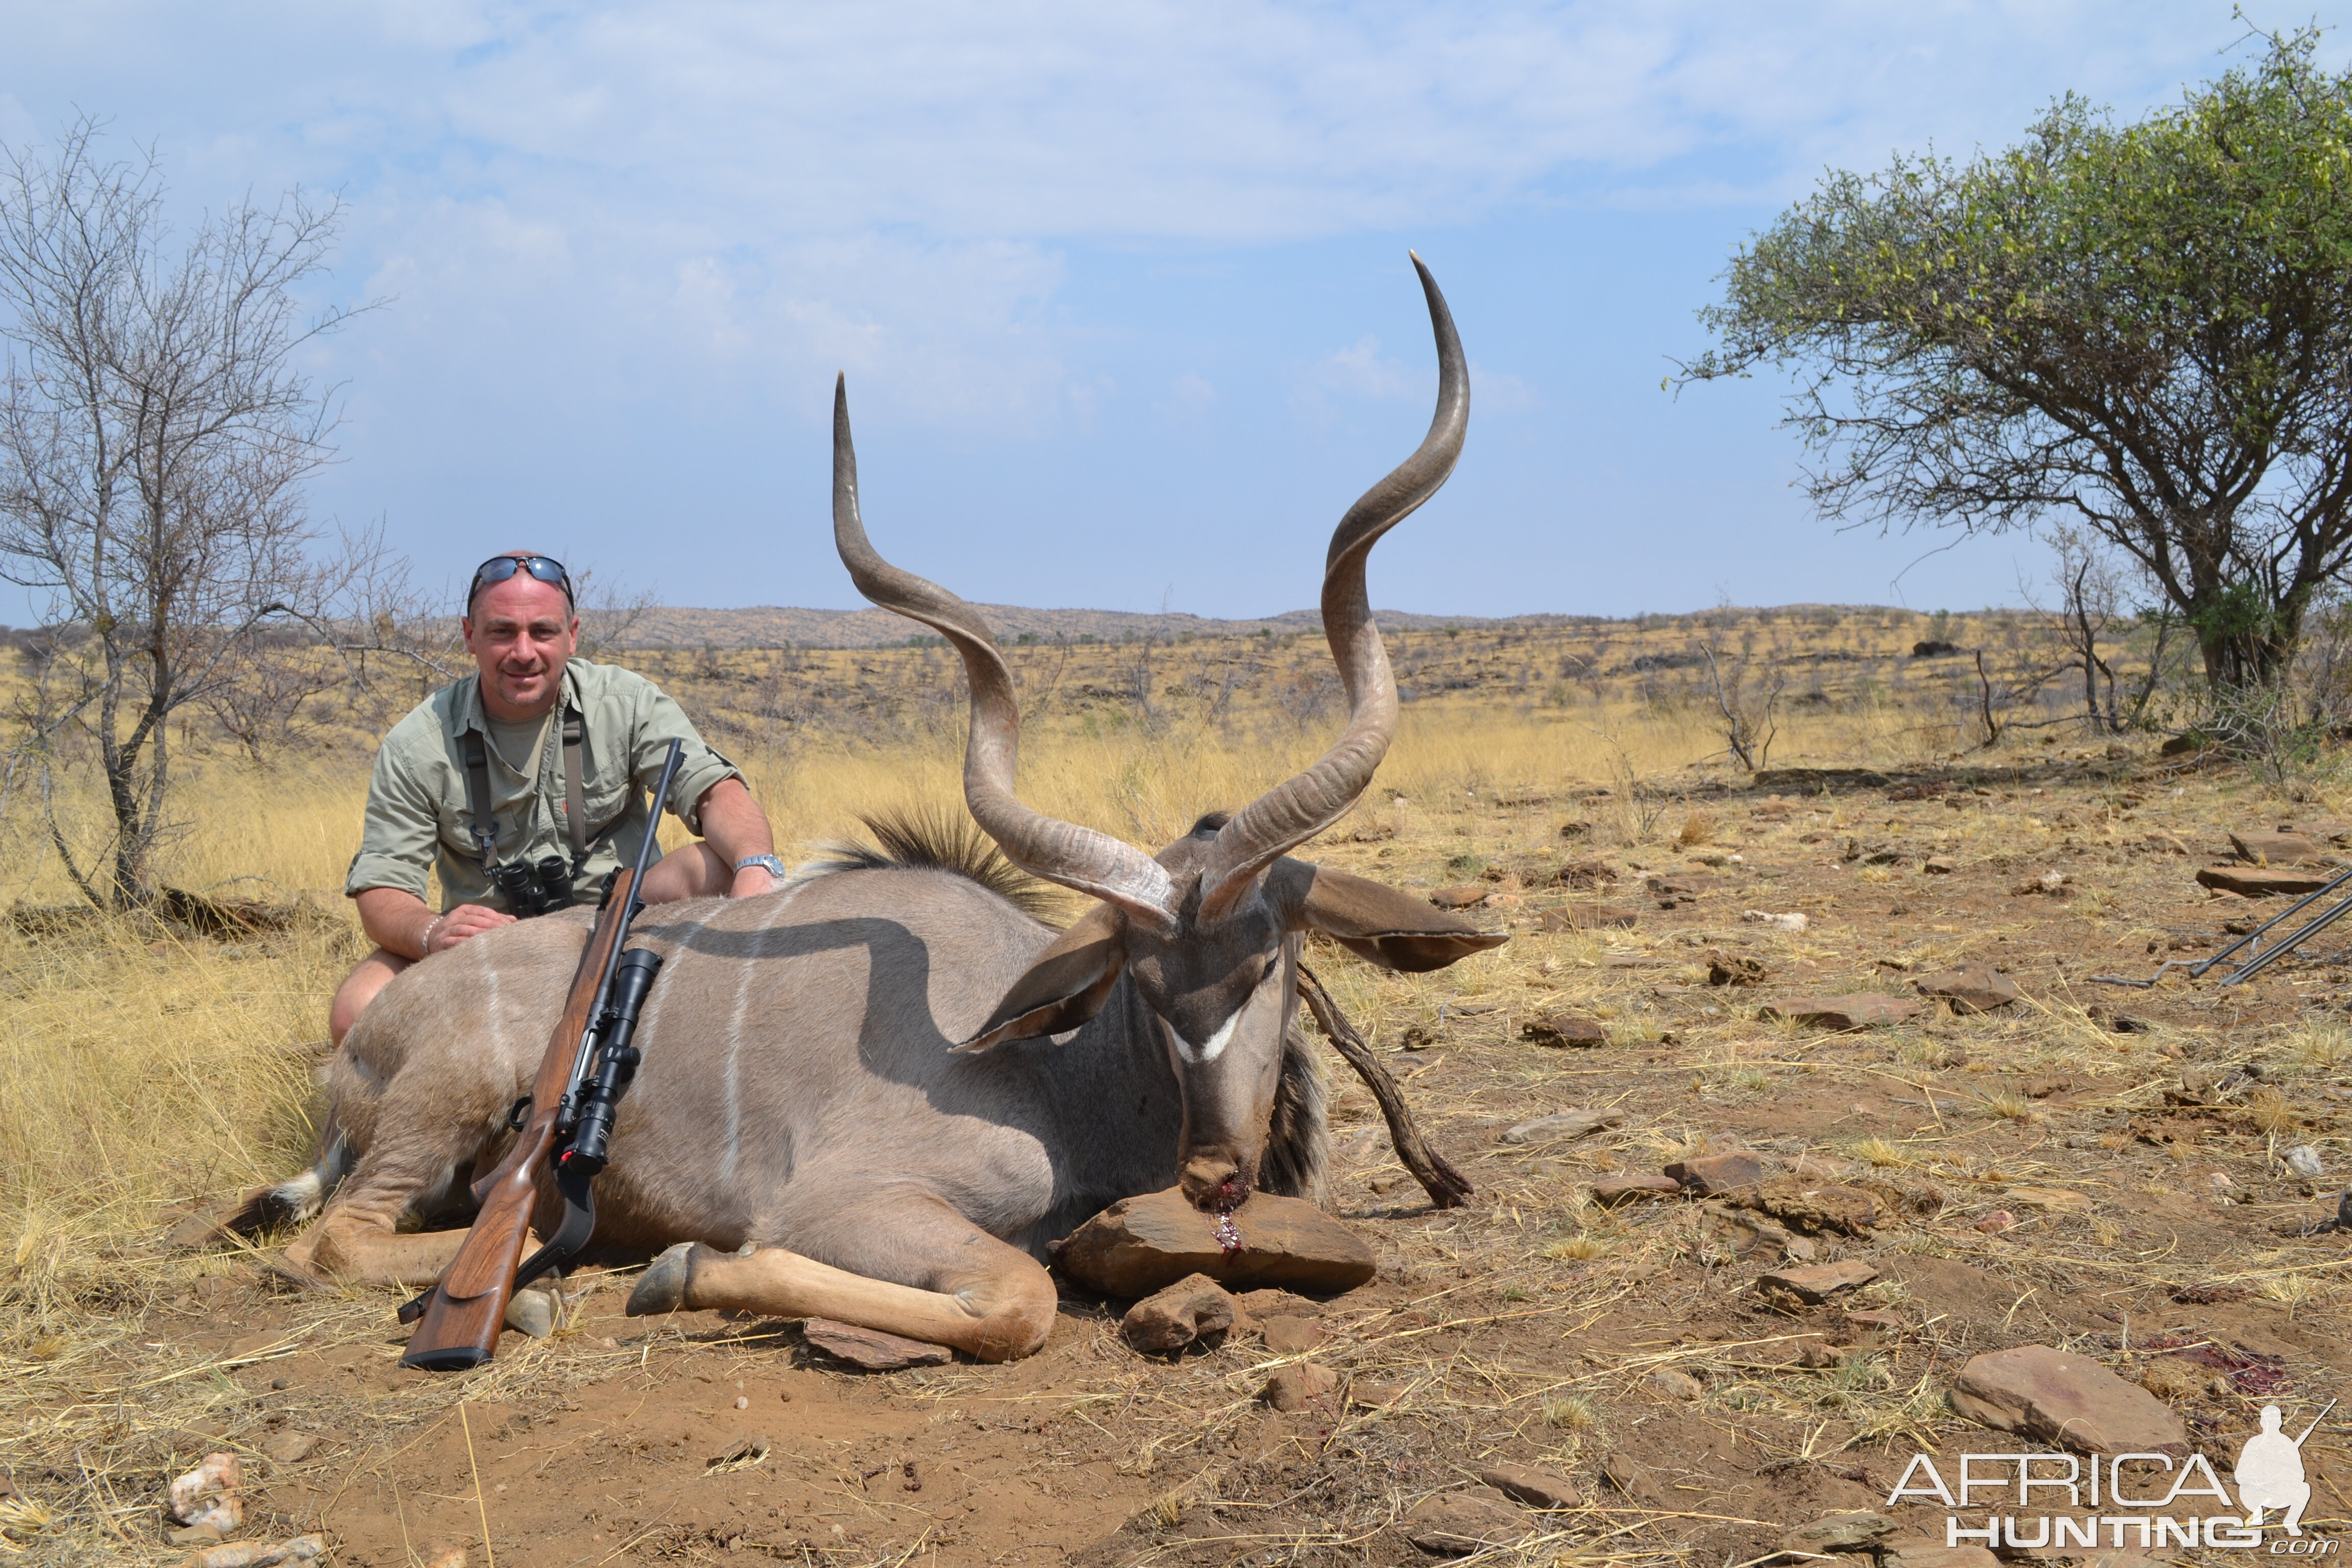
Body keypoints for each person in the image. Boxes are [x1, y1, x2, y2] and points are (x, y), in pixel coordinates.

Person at [330, 552, 786, 1045]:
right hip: (484, 947)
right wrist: (433, 932)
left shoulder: (626, 702)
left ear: (572, 634)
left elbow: (714, 790)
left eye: (542, 632)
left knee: (720, 869)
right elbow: (383, 892)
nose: (523, 652)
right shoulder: (416, 743)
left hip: (621, 922)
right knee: (357, 1008)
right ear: (469, 636)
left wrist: (757, 868)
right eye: (502, 632)